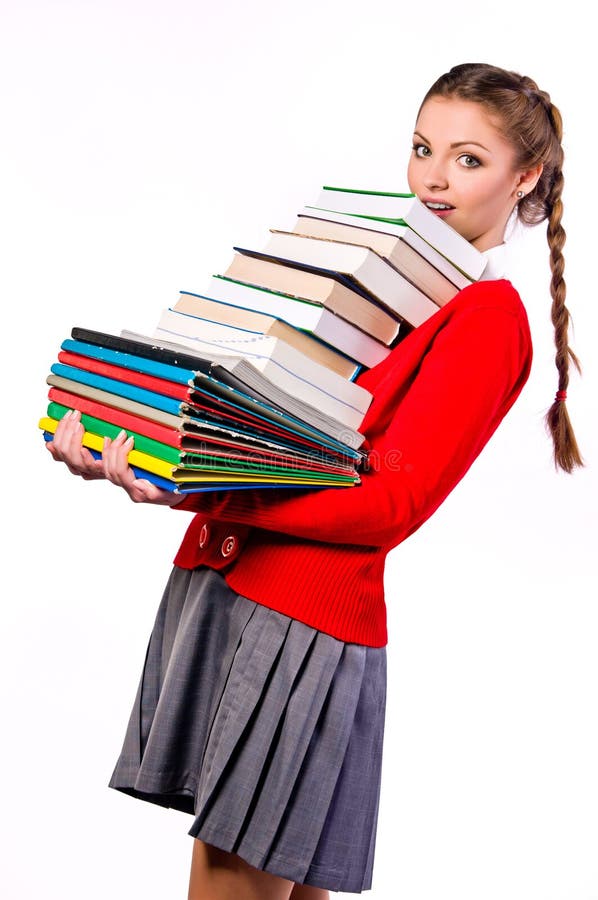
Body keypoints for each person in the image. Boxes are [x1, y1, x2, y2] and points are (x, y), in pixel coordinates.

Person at [46, 62, 582, 900]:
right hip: (231, 586)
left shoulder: (485, 318)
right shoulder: (386, 281)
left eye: (469, 159)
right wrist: (153, 454)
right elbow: (270, 435)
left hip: (299, 619)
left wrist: (195, 487)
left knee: (230, 883)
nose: (434, 177)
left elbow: (390, 501)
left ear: (527, 179)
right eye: (421, 148)